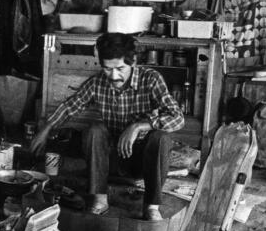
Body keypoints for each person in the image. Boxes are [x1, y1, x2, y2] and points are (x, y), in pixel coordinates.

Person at [29, 32, 183, 220]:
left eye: (120, 68)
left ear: (133, 61)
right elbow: (71, 105)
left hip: (143, 162)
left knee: (161, 137)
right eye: (108, 69)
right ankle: (99, 200)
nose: (114, 75)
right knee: (95, 129)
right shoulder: (98, 82)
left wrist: (138, 126)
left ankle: (151, 207)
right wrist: (46, 129)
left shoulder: (151, 79)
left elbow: (177, 118)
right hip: (111, 161)